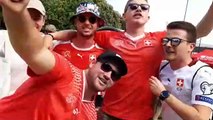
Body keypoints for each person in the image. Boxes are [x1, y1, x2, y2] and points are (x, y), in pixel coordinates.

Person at [48, 0, 213, 119]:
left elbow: (198, 32)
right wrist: (51, 36)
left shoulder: (161, 39)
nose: (138, 9)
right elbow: (79, 32)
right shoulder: (108, 36)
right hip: (108, 114)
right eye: (133, 6)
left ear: (148, 16)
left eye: (144, 7)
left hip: (143, 116)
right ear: (124, 15)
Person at [0, 0, 128, 120]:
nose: (108, 75)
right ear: (93, 63)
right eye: (106, 67)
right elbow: (34, 52)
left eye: (115, 75)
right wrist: (16, 13)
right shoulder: (64, 63)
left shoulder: (90, 114)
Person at [149, 21, 213, 120]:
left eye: (175, 41)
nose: (168, 45)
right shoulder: (162, 67)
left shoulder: (203, 73)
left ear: (191, 47)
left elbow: (201, 118)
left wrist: (164, 94)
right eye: (166, 40)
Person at [0, 0, 46, 98]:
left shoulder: (48, 44)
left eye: (36, 18)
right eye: (27, 16)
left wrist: (51, 36)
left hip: (30, 107)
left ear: (43, 21)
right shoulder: (3, 37)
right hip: (4, 104)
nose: (31, 22)